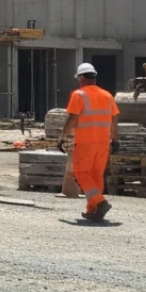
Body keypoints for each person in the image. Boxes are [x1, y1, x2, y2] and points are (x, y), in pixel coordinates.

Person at [58, 62, 121, 223]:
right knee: (96, 176)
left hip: (86, 142)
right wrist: (115, 140)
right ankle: (93, 210)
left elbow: (72, 118)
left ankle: (99, 202)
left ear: (80, 78)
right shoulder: (107, 95)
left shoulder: (79, 95)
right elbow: (114, 119)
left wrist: (62, 137)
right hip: (103, 143)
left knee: (80, 173)